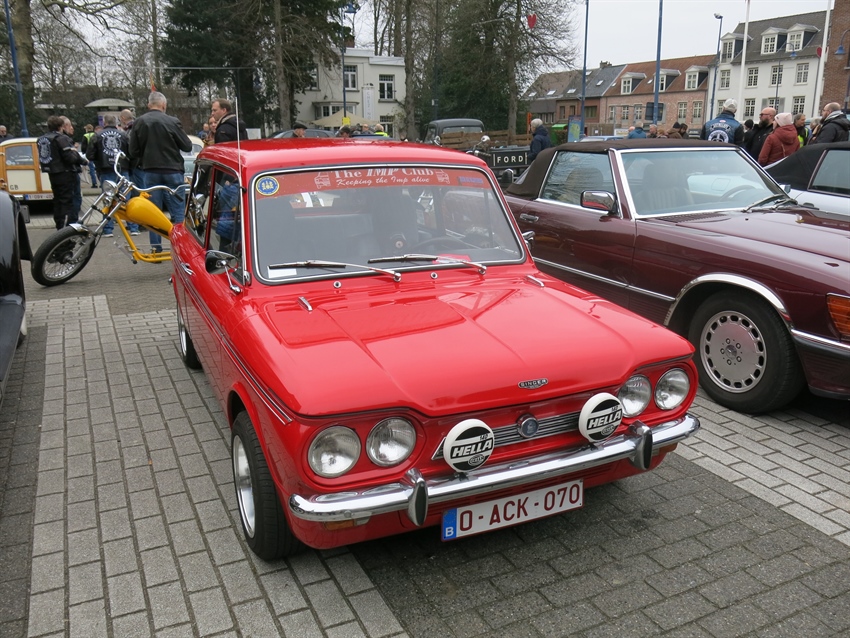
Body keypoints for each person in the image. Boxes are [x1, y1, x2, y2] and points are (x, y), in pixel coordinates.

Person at [129, 91, 192, 253]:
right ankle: (181, 248)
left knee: (153, 211)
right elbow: (187, 146)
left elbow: (133, 151)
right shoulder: (172, 121)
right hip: (173, 170)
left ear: (149, 105)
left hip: (150, 171)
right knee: (178, 211)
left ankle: (156, 248)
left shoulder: (139, 122)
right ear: (164, 105)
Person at [86, 114, 140, 237]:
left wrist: (98, 164)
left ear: (104, 123)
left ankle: (108, 229)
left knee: (108, 199)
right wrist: (130, 167)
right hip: (123, 170)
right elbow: (133, 153)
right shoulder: (124, 135)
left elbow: (90, 155)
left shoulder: (97, 135)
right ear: (116, 123)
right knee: (126, 199)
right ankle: (133, 227)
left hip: (106, 170)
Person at [38, 115, 87, 229]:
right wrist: (75, 153)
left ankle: (59, 226)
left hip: (52, 172)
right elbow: (69, 158)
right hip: (65, 173)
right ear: (61, 126)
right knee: (68, 201)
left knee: (57, 201)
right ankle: (69, 227)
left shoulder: (42, 139)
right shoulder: (61, 138)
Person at [81, 124, 100, 188]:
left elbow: (84, 145)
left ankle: (94, 183)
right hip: (97, 154)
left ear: (87, 129)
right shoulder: (95, 134)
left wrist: (84, 152)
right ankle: (101, 182)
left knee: (91, 169)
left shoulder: (85, 135)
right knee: (98, 168)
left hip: (89, 154)